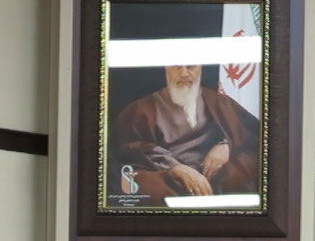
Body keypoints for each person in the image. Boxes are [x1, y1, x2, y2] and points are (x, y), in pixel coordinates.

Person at [109, 64, 260, 199]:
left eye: (191, 66)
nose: (183, 73)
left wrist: (226, 145)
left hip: (215, 176)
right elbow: (128, 148)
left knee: (243, 171)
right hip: (166, 177)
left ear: (200, 68)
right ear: (166, 68)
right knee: (145, 187)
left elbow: (255, 134)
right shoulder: (139, 110)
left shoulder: (219, 102)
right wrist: (175, 169)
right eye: (176, 66)